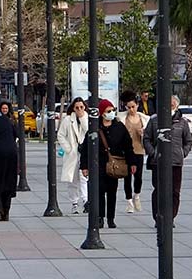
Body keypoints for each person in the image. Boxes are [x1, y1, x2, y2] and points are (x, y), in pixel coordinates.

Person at [80, 99, 136, 229]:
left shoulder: (119, 127)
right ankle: (100, 218)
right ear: (102, 113)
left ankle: (111, 218)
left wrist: (131, 162)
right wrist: (84, 166)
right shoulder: (95, 127)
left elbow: (128, 146)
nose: (111, 113)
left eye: (112, 110)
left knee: (112, 193)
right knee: (99, 192)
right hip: (98, 165)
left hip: (114, 165)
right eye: (108, 111)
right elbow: (85, 148)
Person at [143, 94, 192, 224]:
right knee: (159, 190)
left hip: (176, 162)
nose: (170, 106)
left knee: (175, 192)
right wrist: (153, 153)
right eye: (168, 104)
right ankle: (158, 217)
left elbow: (188, 141)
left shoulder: (182, 121)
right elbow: (146, 138)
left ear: (176, 105)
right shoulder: (154, 120)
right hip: (158, 162)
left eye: (172, 104)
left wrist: (183, 153)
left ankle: (171, 217)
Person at [57, 97, 89, 213]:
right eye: (77, 107)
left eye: (81, 107)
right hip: (73, 153)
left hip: (84, 152)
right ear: (73, 108)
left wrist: (83, 118)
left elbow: (89, 131)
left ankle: (86, 201)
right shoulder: (68, 120)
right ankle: (74, 203)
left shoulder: (88, 118)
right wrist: (68, 148)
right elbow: (60, 135)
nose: (79, 109)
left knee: (84, 177)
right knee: (72, 179)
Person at [120, 93, 149, 213]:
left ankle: (136, 195)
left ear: (137, 105)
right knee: (127, 177)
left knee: (138, 177)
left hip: (139, 150)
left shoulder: (144, 119)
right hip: (126, 152)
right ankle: (129, 202)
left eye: (133, 106)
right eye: (129, 107)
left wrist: (144, 133)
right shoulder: (121, 118)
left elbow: (149, 135)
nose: (131, 109)